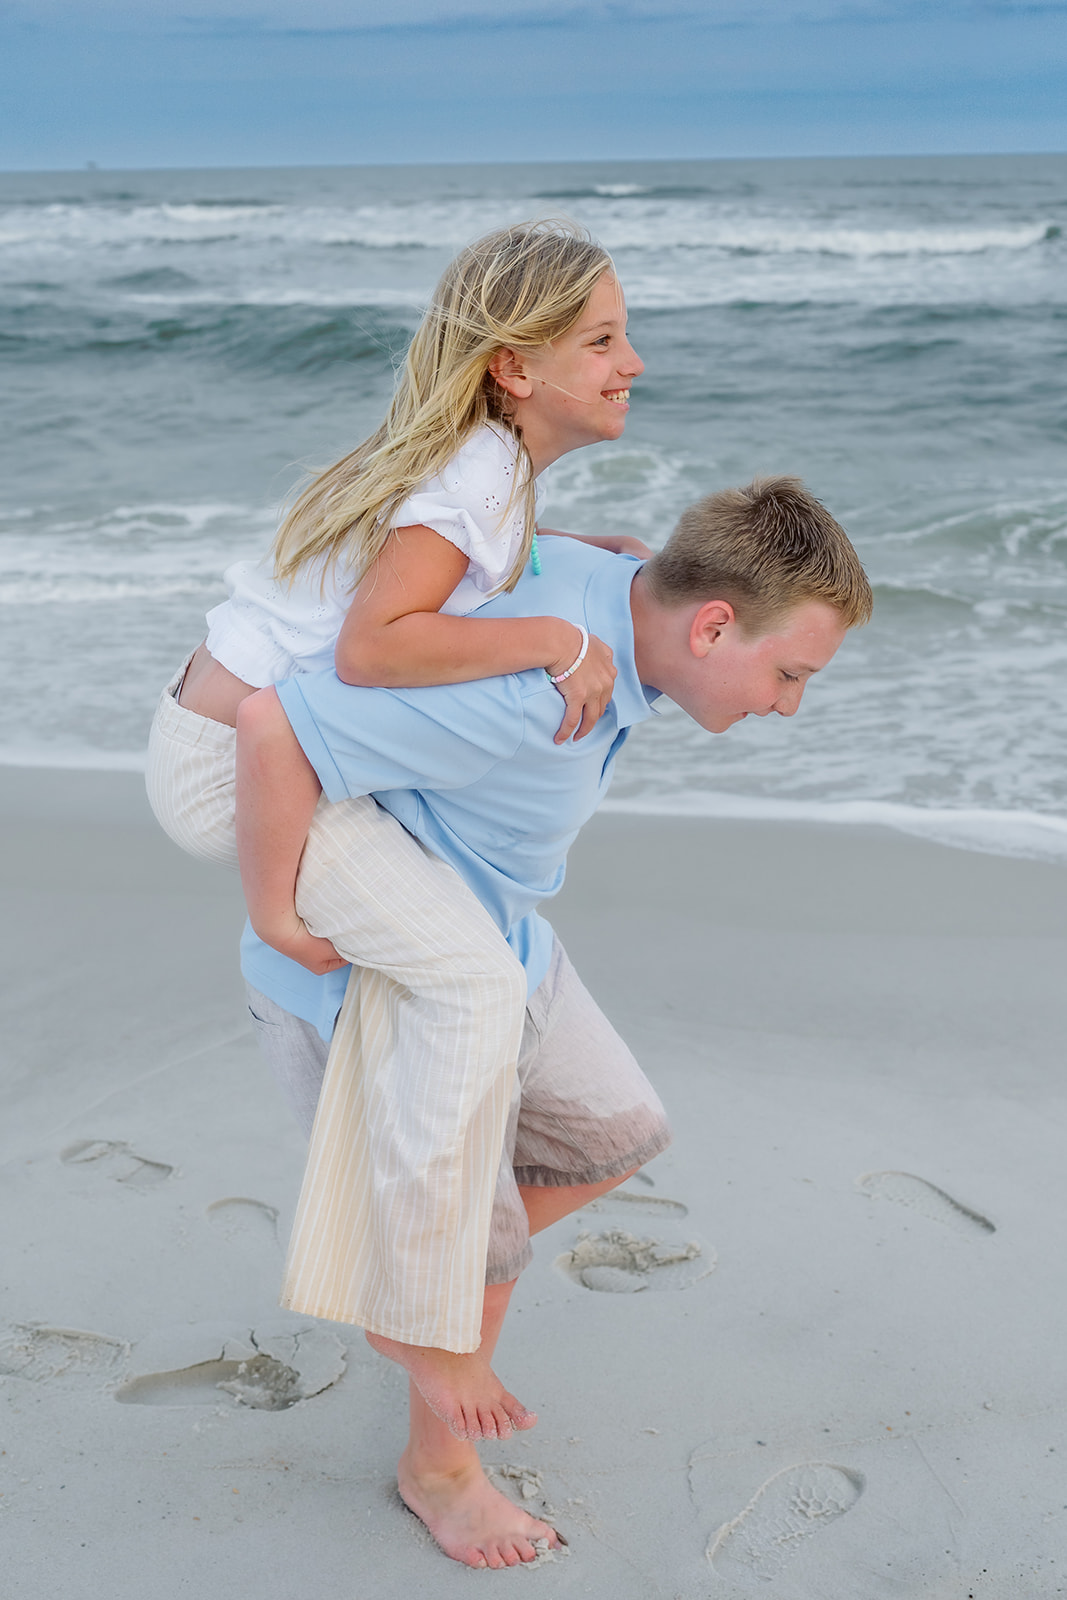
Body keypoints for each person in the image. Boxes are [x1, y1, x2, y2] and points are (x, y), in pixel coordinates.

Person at [234, 476, 874, 1570]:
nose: (787, 704)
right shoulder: (528, 692)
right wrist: (275, 920)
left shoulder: (623, 590)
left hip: (509, 943)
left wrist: (586, 540)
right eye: (789, 673)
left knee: (614, 1134)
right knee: (473, 1245)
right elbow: (274, 724)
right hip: (386, 988)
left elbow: (525, 542)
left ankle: (411, 1293)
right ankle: (439, 1468)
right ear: (712, 626)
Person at [144, 219, 647, 1394]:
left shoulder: (485, 468)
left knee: (462, 961)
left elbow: (437, 568)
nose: (631, 362)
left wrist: (569, 547)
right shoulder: (476, 474)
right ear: (512, 367)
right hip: (230, 769)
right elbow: (371, 648)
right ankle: (415, 1295)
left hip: (225, 736)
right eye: (601, 340)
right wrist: (558, 634)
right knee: (471, 980)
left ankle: (423, 1246)